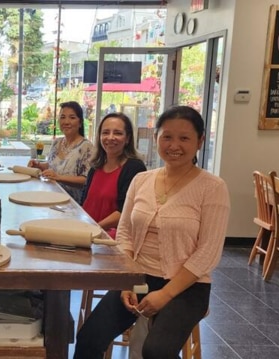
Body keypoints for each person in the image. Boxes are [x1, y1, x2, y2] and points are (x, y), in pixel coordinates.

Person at [74, 106, 230, 359]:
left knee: (156, 351)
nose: (174, 145)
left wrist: (165, 294)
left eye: (184, 138)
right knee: (89, 337)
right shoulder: (142, 180)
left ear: (200, 141)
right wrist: (127, 280)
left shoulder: (212, 187)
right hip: (138, 277)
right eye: (167, 136)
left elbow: (209, 252)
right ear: (156, 137)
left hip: (186, 286)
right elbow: (124, 233)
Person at [80, 113, 146, 239]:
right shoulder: (95, 166)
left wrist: (95, 228)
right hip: (87, 233)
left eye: (117, 133)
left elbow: (125, 211)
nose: (110, 137)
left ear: (127, 138)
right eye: (105, 133)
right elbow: (84, 202)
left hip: (111, 239)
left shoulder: (134, 168)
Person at [27, 101, 94, 203]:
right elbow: (52, 166)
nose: (66, 122)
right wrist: (39, 165)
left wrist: (59, 177)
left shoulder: (87, 147)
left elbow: (86, 180)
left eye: (72, 117)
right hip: (50, 197)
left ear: (80, 122)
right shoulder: (57, 142)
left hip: (71, 203)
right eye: (62, 117)